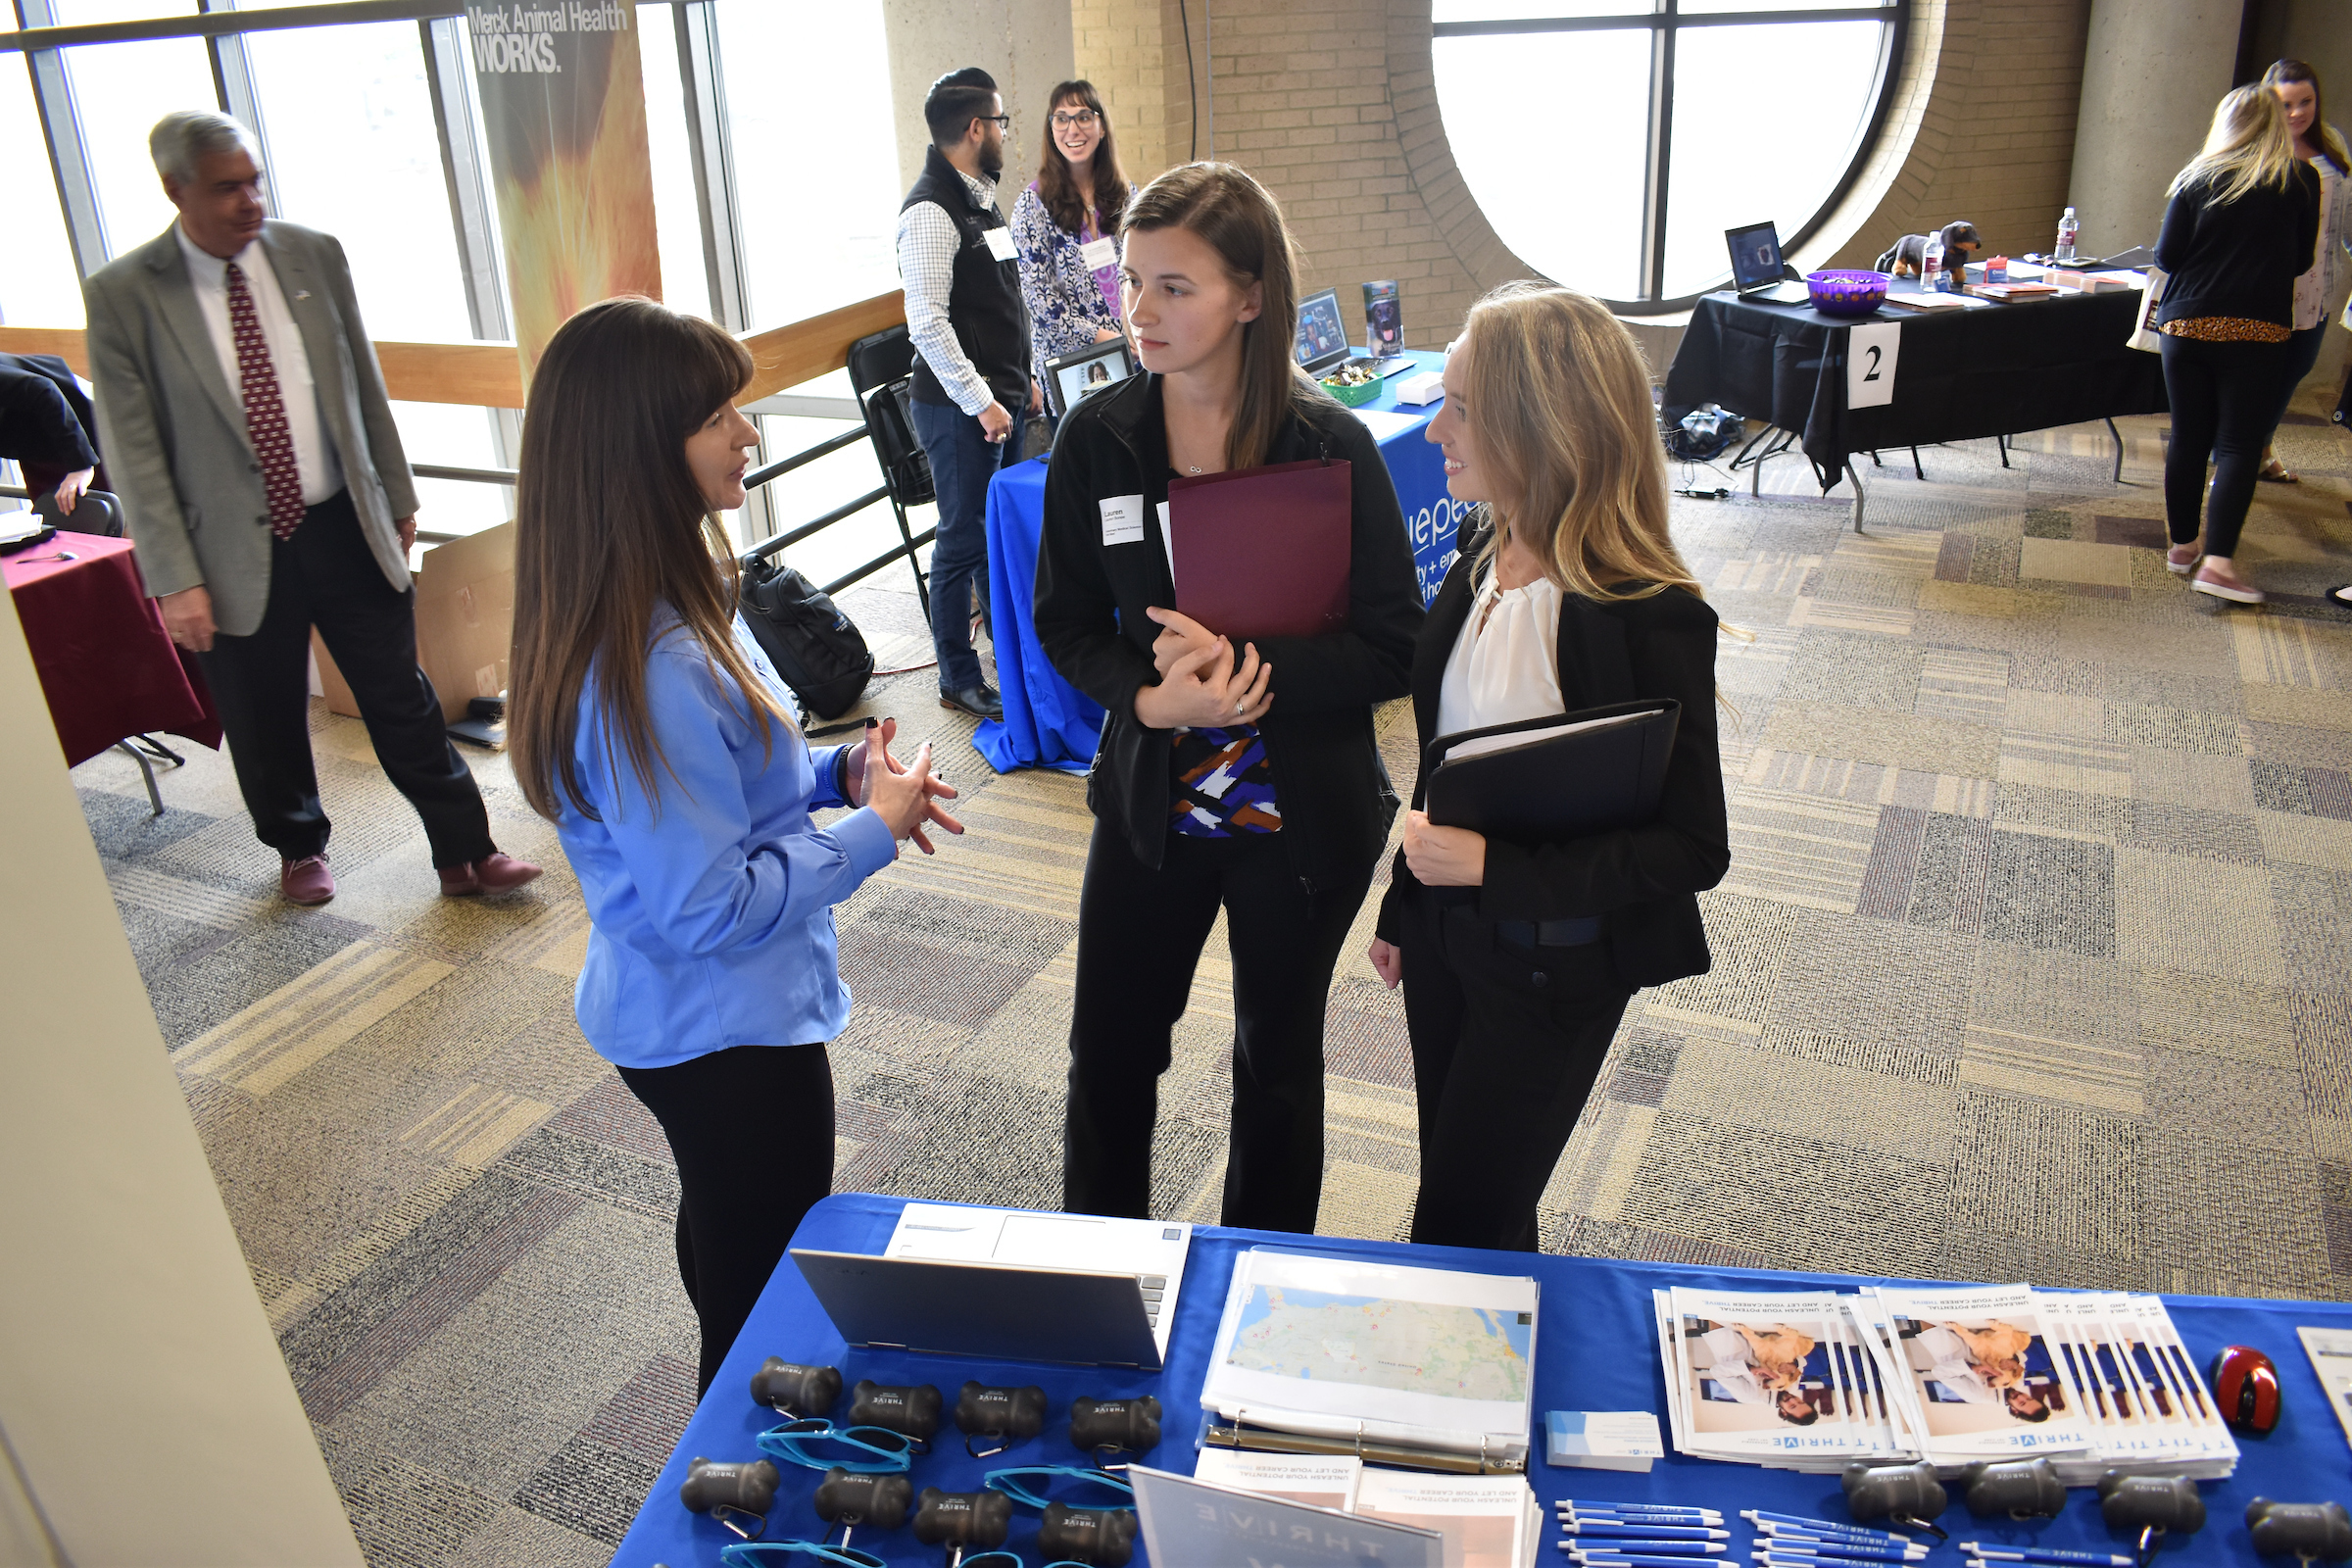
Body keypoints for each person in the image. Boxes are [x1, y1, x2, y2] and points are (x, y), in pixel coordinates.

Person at [506, 297, 962, 1396]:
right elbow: (708, 900)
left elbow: (715, 795)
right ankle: (736, 1500)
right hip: (722, 1034)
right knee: (764, 1315)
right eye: (720, 416)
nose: (747, 435)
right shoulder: (651, 665)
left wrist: (832, 775)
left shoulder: (652, 610)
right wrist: (872, 834)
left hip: (688, 1017)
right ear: (642, 452)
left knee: (730, 1244)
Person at [1035, 163, 1422, 1234]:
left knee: (1278, 1066)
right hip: (1151, 802)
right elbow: (1064, 624)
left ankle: (1265, 1289)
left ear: (1251, 296)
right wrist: (1150, 702)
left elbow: (1398, 643)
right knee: (1109, 1056)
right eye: (1134, 283)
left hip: (1296, 816)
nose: (1141, 312)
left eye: (1176, 287)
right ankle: (1099, 1281)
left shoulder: (1328, 445)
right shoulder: (1098, 438)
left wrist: (1261, 680)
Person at [84, 111, 537, 906]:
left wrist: (397, 498)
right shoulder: (126, 296)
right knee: (261, 714)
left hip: (340, 522)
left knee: (401, 694)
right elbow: (134, 449)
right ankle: (298, 846)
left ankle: (467, 850)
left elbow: (363, 385)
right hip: (223, 548)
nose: (251, 200)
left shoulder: (311, 255)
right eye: (228, 188)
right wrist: (173, 578)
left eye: (255, 180)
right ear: (175, 190)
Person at [1367, 282, 1731, 1253]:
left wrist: (1495, 871)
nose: (1436, 427)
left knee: (1455, 1223)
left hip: (1553, 962)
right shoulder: (1481, 553)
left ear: (1540, 425)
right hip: (1450, 940)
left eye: (1462, 408)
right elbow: (1449, 755)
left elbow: (1692, 845)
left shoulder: (1643, 612)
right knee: (1478, 1192)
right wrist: (1408, 905)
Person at [898, 66, 1042, 721]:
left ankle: (1005, 654)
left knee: (993, 534)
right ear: (976, 128)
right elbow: (927, 320)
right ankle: (956, 674)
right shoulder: (931, 209)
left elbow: (1005, 300)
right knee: (961, 540)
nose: (1007, 135)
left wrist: (1026, 375)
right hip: (959, 407)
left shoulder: (980, 198)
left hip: (1001, 397)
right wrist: (981, 399)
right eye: (1002, 123)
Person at [2152, 86, 2320, 605]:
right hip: (2257, 329)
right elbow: (2302, 263)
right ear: (2273, 122)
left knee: (2187, 438)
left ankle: (2183, 547)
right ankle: (2219, 563)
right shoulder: (2299, 179)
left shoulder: (2194, 177)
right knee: (2240, 446)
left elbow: (2167, 255)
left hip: (2185, 324)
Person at [2256, 61, 2352, 488]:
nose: (2296, 113)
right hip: (2266, 287)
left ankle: (2255, 446)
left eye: (2306, 101)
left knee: (2294, 369)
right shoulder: (2257, 147)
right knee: (2255, 376)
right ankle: (2243, 455)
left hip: (2320, 286)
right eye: (2286, 103)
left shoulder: (2332, 146)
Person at [1011, 80, 1134, 409]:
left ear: (1102, 126)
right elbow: (1040, 302)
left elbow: (1146, 271)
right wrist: (1108, 341)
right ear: (1051, 129)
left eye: (1083, 116)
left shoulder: (1127, 194)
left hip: (1134, 355)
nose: (1072, 129)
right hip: (1072, 367)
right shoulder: (1032, 205)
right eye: (1061, 118)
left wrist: (1137, 330)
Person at [0, 352, 106, 516]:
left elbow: (43, 389)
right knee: (55, 520)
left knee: (103, 518)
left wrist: (81, 465)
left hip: (77, 426)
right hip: (34, 443)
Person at [1694, 1323, 1818, 1425]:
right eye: (1800, 1402)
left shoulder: (1750, 1396)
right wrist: (1794, 1365)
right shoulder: (1792, 1387)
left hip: (1731, 1343)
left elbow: (1718, 1372)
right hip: (1758, 1333)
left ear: (1784, 1413)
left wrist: (1751, 1369)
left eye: (1792, 1406)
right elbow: (1802, 1362)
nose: (1792, 1400)